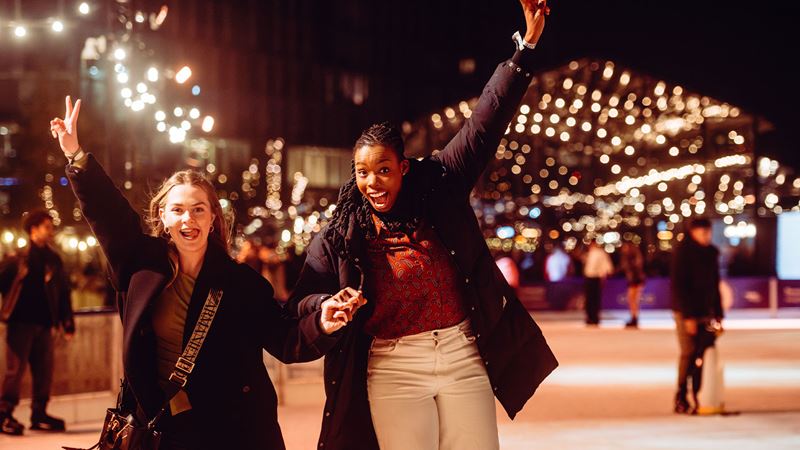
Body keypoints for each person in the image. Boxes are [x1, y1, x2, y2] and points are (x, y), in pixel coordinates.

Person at [287, 2, 557, 449]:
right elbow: (301, 300)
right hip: (394, 363)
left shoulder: (441, 185)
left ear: (404, 167)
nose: (372, 182)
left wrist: (524, 49)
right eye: (362, 172)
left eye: (383, 170)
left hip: (461, 351)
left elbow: (485, 122)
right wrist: (326, 305)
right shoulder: (341, 231)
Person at [49, 97, 363, 449]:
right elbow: (109, 214)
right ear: (163, 217)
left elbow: (286, 339)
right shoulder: (141, 265)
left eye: (199, 210)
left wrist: (324, 322)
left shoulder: (241, 283)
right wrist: (76, 155)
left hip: (227, 429)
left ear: (213, 218)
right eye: (178, 210)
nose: (189, 220)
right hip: (159, 426)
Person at [0, 210, 75, 435]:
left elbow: (63, 292)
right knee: (14, 372)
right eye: (46, 227)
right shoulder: (17, 258)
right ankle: (4, 415)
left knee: (45, 371)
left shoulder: (54, 259)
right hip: (20, 323)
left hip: (44, 324)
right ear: (34, 229)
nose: (51, 231)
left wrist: (67, 322)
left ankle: (39, 414)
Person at [670, 218, 724, 414]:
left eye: (708, 232)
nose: (706, 236)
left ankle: (701, 394)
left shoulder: (711, 253)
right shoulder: (683, 252)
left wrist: (718, 313)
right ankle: (681, 395)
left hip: (705, 312)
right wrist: (688, 317)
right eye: (702, 233)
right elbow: (679, 287)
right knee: (689, 352)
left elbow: (714, 285)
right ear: (692, 232)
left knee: (704, 353)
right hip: (686, 313)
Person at [582, 241, 614, 326]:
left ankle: (594, 317)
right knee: (589, 299)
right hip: (589, 278)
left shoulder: (600, 253)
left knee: (595, 299)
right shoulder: (589, 253)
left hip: (595, 277)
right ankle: (589, 317)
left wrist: (603, 276)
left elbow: (606, 266)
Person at [620, 241, 646, 328]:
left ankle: (634, 318)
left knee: (633, 299)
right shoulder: (630, 257)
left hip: (636, 279)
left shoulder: (633, 257)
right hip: (634, 279)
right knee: (632, 299)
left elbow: (636, 268)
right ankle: (634, 317)